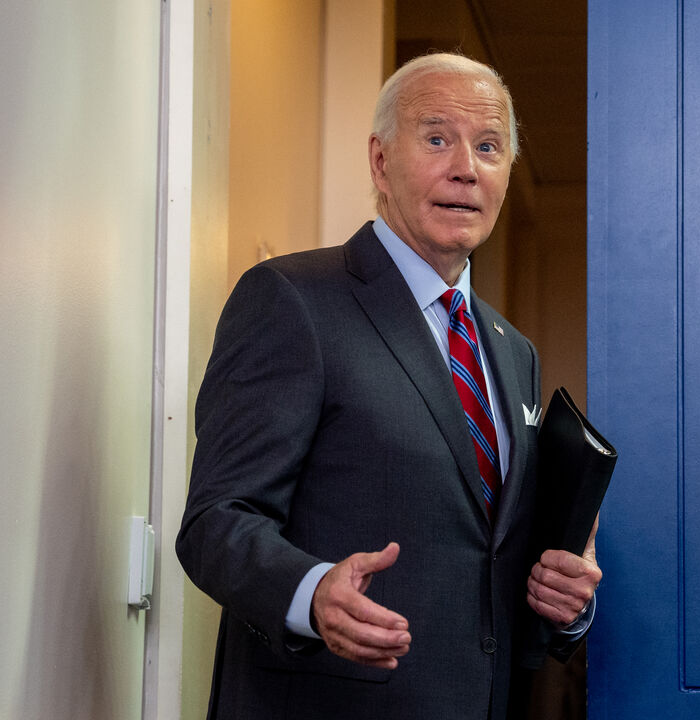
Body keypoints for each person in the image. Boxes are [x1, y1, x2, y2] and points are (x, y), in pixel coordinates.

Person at [176, 52, 602, 720]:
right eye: (437, 139)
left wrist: (565, 597)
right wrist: (312, 593)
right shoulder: (293, 300)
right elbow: (215, 522)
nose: (465, 166)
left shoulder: (511, 350)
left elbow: (489, 559)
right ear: (380, 161)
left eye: (488, 146)